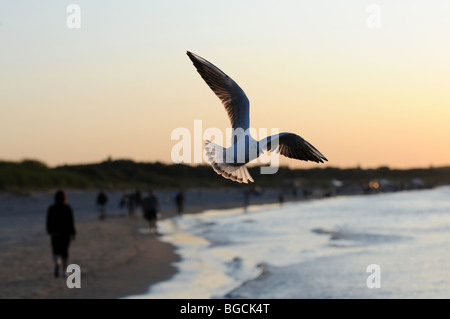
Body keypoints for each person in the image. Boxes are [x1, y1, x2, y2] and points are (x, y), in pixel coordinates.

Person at [46, 190, 76, 278]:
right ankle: (64, 271)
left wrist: (49, 230)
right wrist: (73, 233)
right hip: (65, 233)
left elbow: (48, 221)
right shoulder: (67, 208)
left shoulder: (51, 208)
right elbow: (71, 221)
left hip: (54, 233)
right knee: (65, 252)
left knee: (55, 251)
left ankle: (57, 263)